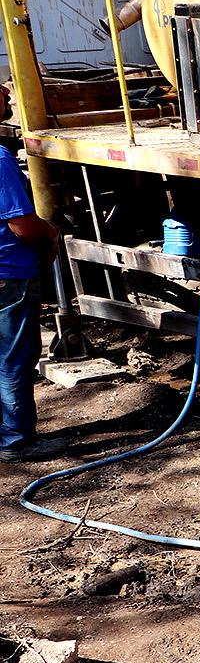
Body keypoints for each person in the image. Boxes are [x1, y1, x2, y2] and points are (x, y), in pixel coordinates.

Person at [0, 86, 61, 463]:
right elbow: (22, 224)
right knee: (14, 356)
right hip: (9, 271)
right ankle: (16, 440)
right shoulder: (0, 160)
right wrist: (51, 230)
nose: (8, 93)